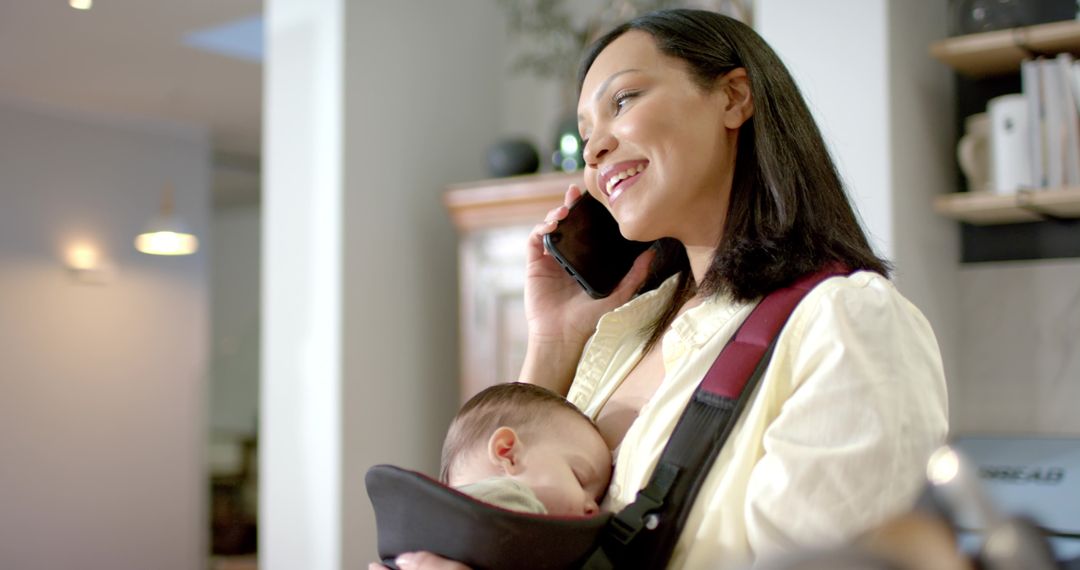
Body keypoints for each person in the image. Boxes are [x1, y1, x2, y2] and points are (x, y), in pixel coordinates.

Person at [374, 8, 948, 570]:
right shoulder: (626, 335)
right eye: (585, 134)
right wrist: (553, 341)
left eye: (623, 101)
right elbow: (497, 516)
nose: (593, 150)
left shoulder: (848, 322)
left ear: (734, 98)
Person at [439, 382, 612, 517]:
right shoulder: (507, 498)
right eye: (579, 479)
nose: (594, 509)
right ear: (508, 454)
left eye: (598, 499)